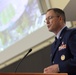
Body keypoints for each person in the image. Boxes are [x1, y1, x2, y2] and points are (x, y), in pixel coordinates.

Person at [43, 8, 76, 75]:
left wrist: (59, 68)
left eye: (50, 18)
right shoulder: (54, 45)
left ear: (60, 19)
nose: (47, 22)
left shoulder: (71, 34)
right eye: (46, 20)